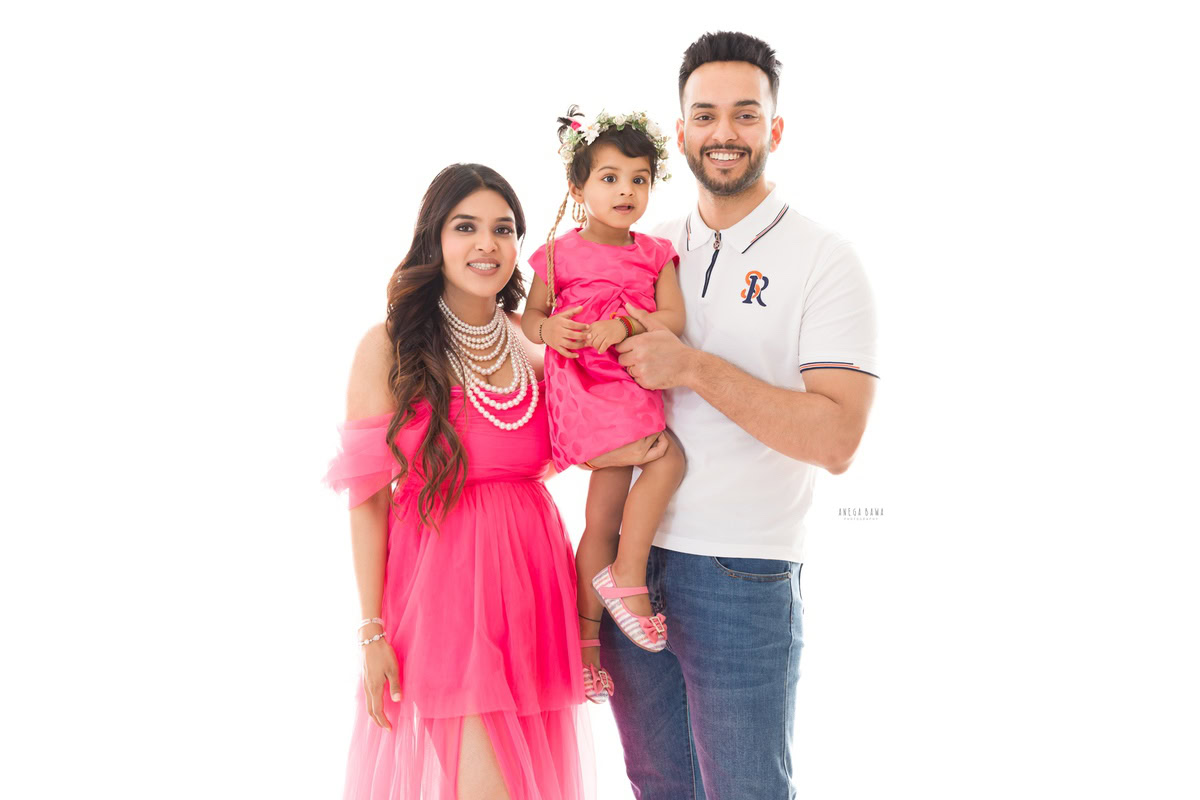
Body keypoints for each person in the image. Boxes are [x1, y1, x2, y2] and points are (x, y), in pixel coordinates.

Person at [602, 31, 881, 798]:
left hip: (741, 570)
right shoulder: (646, 247)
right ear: (682, 130)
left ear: (774, 130)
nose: (724, 133)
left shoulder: (824, 259)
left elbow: (837, 440)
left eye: (745, 115)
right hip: (631, 563)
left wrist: (692, 366)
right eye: (706, 115)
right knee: (658, 784)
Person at [323, 163, 634, 799]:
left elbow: (603, 437)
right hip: (443, 598)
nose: (486, 244)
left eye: (503, 229)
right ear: (434, 238)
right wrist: (370, 630)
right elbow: (367, 498)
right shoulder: (390, 346)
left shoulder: (535, 342)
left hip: (533, 590)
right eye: (466, 227)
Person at [520, 106, 687, 705]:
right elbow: (530, 317)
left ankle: (587, 651)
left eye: (638, 178)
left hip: (628, 380)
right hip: (587, 391)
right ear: (578, 187)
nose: (625, 191)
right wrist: (548, 333)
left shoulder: (654, 252)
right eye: (610, 178)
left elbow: (673, 319)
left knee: (602, 519)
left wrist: (624, 322)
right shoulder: (557, 255)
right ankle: (629, 577)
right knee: (668, 462)